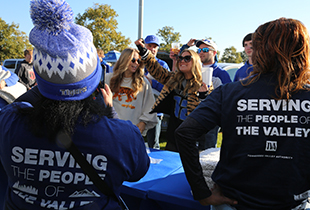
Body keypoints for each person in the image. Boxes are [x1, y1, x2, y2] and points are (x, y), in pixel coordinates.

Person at [0, 1, 150, 209]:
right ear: (95, 79)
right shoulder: (123, 136)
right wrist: (111, 115)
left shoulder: (8, 122)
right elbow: (138, 171)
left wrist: (47, 87)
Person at [175, 17, 310, 209]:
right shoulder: (229, 92)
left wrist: (201, 191)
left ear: (261, 51)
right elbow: (185, 133)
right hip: (273, 201)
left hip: (241, 200)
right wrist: (200, 191)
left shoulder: (229, 92)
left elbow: (185, 132)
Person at [135, 38, 216, 152]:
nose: (182, 61)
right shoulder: (174, 78)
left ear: (195, 62)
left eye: (187, 58)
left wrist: (203, 96)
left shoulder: (203, 83)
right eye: (181, 58)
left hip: (192, 137)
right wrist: (144, 51)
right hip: (173, 134)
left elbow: (209, 111)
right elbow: (157, 70)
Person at [105, 48, 158, 135]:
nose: (136, 63)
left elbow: (150, 105)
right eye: (133, 60)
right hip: (111, 129)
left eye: (138, 61)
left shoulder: (143, 82)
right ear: (124, 60)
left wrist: (144, 122)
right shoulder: (109, 78)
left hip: (132, 130)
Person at [144, 35, 171, 149]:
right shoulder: (138, 62)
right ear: (144, 47)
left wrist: (152, 83)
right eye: (149, 46)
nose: (152, 49)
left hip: (155, 112)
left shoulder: (162, 65)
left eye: (155, 46)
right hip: (137, 109)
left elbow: (169, 87)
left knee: (153, 144)